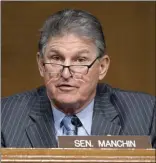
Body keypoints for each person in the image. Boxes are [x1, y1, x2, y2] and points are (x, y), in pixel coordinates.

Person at [1, 9, 155, 148]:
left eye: (80, 60)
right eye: (56, 58)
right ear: (41, 65)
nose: (66, 74)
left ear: (102, 67)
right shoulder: (5, 117)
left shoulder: (146, 114)